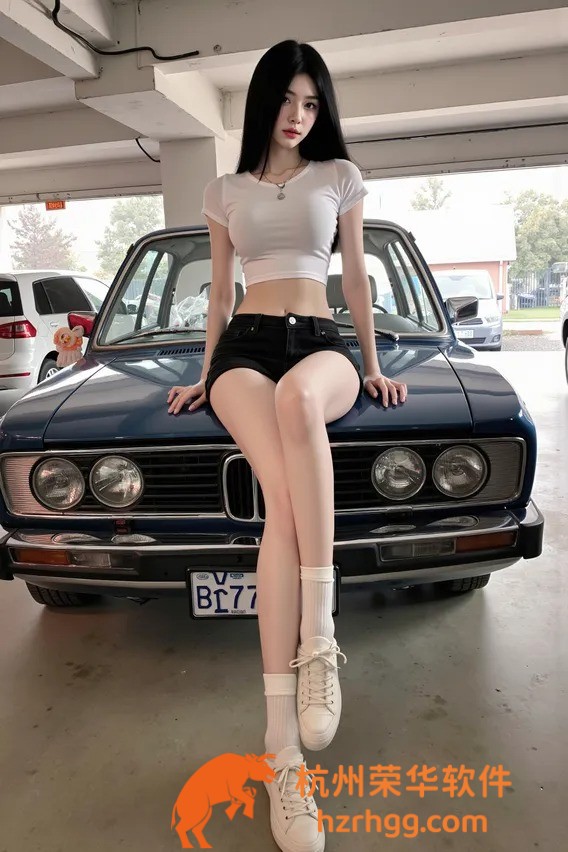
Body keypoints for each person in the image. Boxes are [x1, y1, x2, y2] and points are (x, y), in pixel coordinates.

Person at [167, 39, 407, 852]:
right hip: (243, 351)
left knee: (302, 398)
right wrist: (204, 373)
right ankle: (283, 758)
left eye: (312, 103)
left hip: (320, 342)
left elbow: (355, 279)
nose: (299, 115)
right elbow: (220, 292)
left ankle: (319, 639)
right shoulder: (223, 189)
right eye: (287, 99)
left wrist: (371, 365)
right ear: (263, 101)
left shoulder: (339, 175)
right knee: (282, 510)